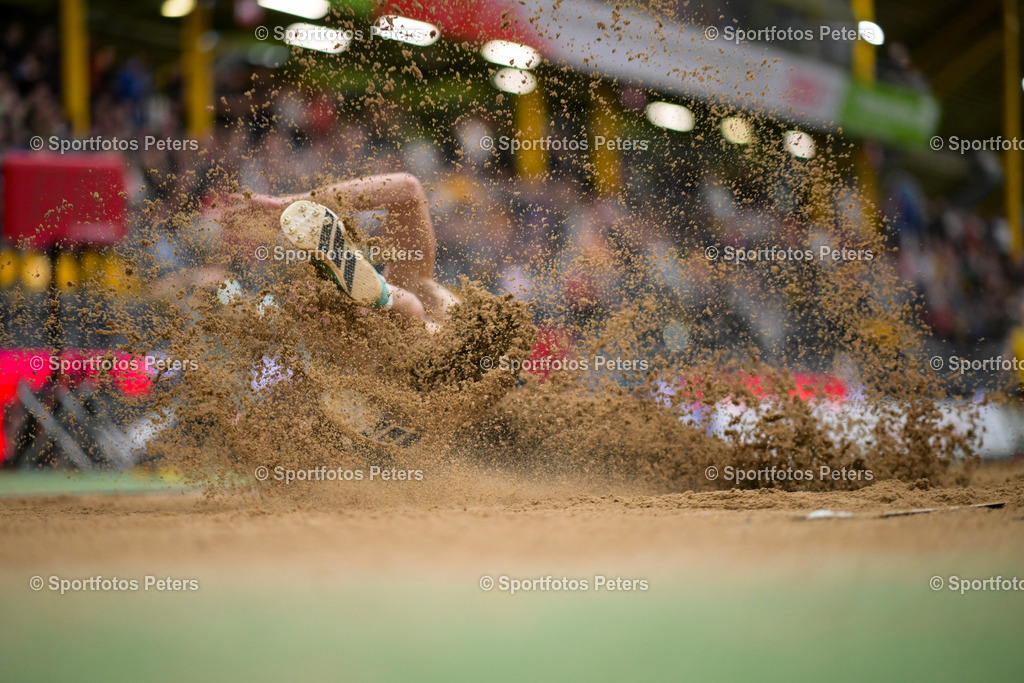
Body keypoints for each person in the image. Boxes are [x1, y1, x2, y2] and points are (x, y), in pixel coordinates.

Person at [234, 173, 458, 333]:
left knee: (415, 309)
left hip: (422, 364)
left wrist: (284, 204)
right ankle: (372, 291)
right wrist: (285, 207)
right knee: (420, 300)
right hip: (388, 336)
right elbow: (406, 188)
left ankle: (374, 291)